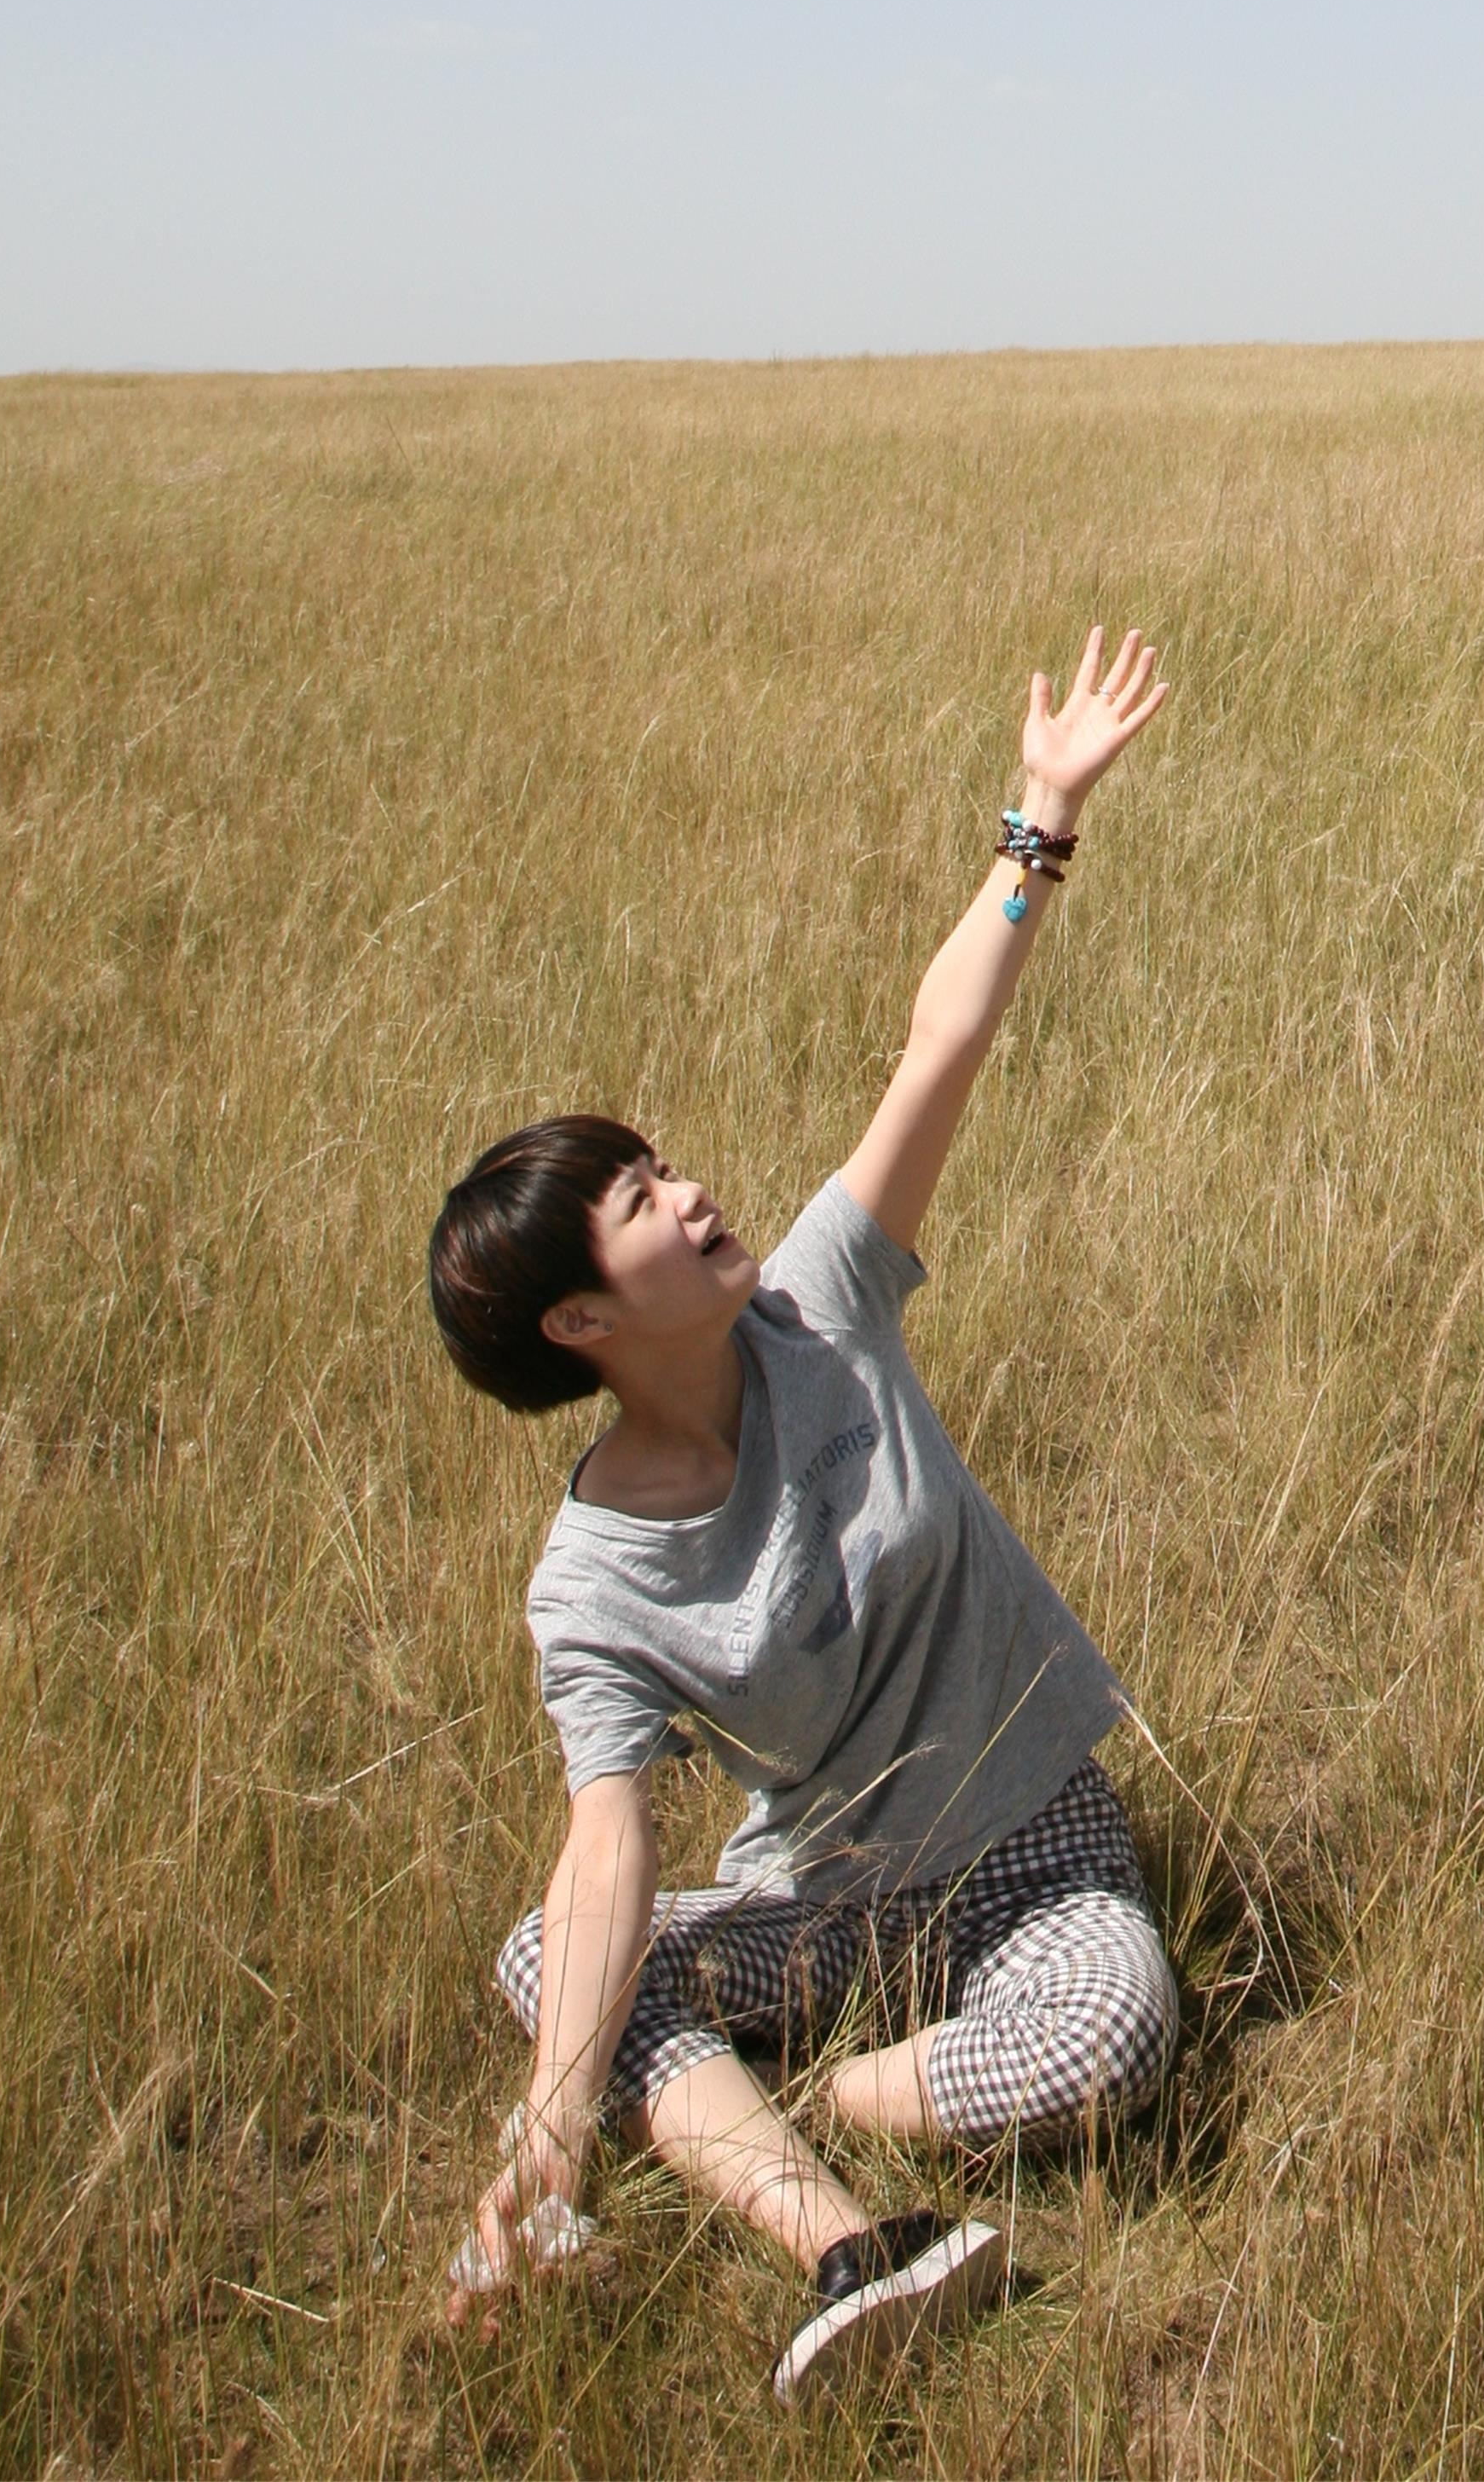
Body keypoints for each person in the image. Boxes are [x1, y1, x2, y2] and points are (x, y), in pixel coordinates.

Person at [423, 622, 1173, 2404]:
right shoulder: (591, 1578)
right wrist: (542, 2133)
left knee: (1112, 2032)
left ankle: (798, 2090)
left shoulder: (820, 1299)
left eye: (661, 1161)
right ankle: (812, 2220)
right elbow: (610, 1842)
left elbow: (937, 1050)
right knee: (554, 1951)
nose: (689, 1192)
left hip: (1031, 1844)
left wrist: (1039, 824)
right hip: (831, 1899)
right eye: (638, 1198)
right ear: (581, 1323)